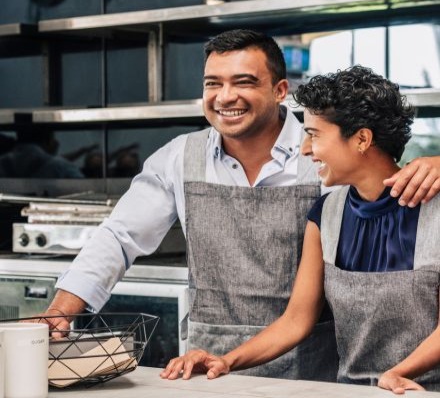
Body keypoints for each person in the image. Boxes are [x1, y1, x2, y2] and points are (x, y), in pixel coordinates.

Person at [38, 30, 440, 381]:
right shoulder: (180, 157)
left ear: (280, 91)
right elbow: (120, 236)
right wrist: (62, 309)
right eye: (213, 83)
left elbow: (382, 179)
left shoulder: (326, 156)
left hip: (311, 370)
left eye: (243, 82)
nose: (225, 96)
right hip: (210, 366)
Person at [160, 65, 440, 394]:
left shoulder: (434, 210)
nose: (305, 149)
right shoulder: (326, 214)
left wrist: (396, 374)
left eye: (315, 134)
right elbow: (296, 320)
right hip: (349, 392)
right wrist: (227, 360)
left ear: (362, 139)